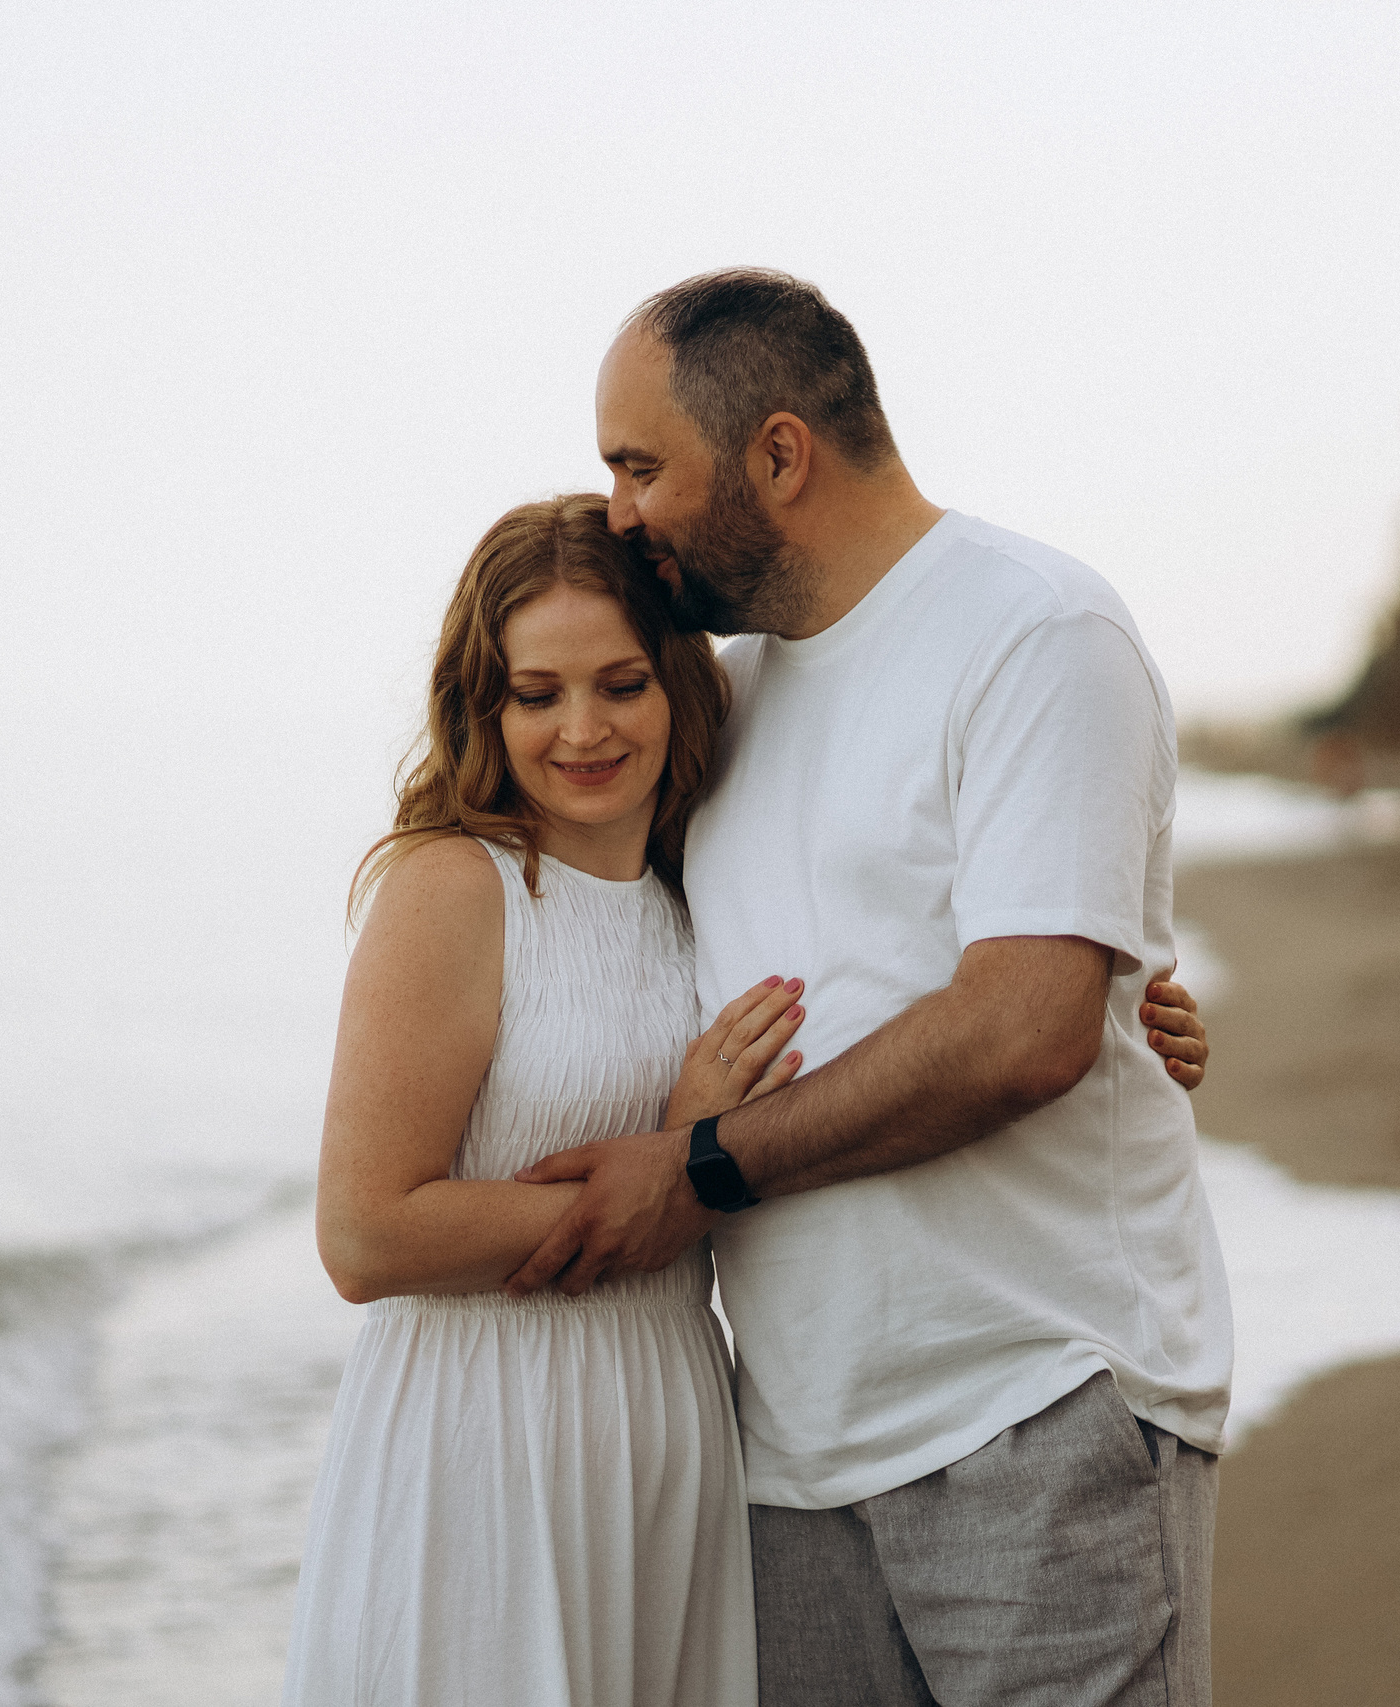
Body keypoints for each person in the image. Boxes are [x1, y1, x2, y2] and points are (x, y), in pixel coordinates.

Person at [286, 493, 1211, 1705]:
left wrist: (1126, 1016)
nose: (582, 729)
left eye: (621, 683)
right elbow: (365, 1234)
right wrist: (678, 1158)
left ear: (679, 683)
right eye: (536, 693)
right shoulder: (455, 888)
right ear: (483, 703)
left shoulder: (702, 876)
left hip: (680, 1434)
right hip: (490, 1444)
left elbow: (912, 971)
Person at [506, 268, 1228, 1707]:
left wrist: (699, 1167)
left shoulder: (1033, 631)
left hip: (1031, 1404)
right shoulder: (729, 693)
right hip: (790, 1449)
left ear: (778, 454)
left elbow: (1023, 1029)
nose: (620, 510)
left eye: (640, 465)